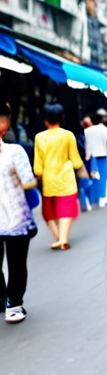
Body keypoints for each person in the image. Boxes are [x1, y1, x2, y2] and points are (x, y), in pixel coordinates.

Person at [0, 103, 38, 323]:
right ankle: (13, 305)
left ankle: (0, 300)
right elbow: (28, 183)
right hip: (16, 219)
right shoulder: (16, 151)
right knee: (16, 262)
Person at [33, 104, 83, 250]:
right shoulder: (68, 135)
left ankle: (56, 236)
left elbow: (38, 165)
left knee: (49, 212)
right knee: (66, 208)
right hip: (67, 179)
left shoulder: (39, 137)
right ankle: (62, 239)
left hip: (49, 181)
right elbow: (76, 161)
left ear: (45, 120)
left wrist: (39, 175)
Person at [84, 112, 107, 207]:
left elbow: (87, 144)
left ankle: (94, 198)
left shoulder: (87, 131)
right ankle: (103, 199)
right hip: (103, 156)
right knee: (104, 178)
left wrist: (87, 155)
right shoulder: (105, 130)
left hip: (92, 157)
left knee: (94, 177)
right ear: (101, 120)